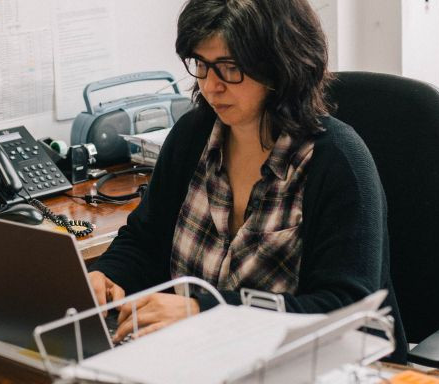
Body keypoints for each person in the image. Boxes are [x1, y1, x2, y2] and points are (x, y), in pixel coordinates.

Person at [87, 0, 407, 362]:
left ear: (281, 66)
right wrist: (107, 275)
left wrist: (204, 312)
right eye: (201, 65)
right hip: (199, 359)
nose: (211, 86)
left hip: (307, 366)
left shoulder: (338, 162)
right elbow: (145, 241)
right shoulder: (192, 138)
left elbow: (346, 312)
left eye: (229, 68)